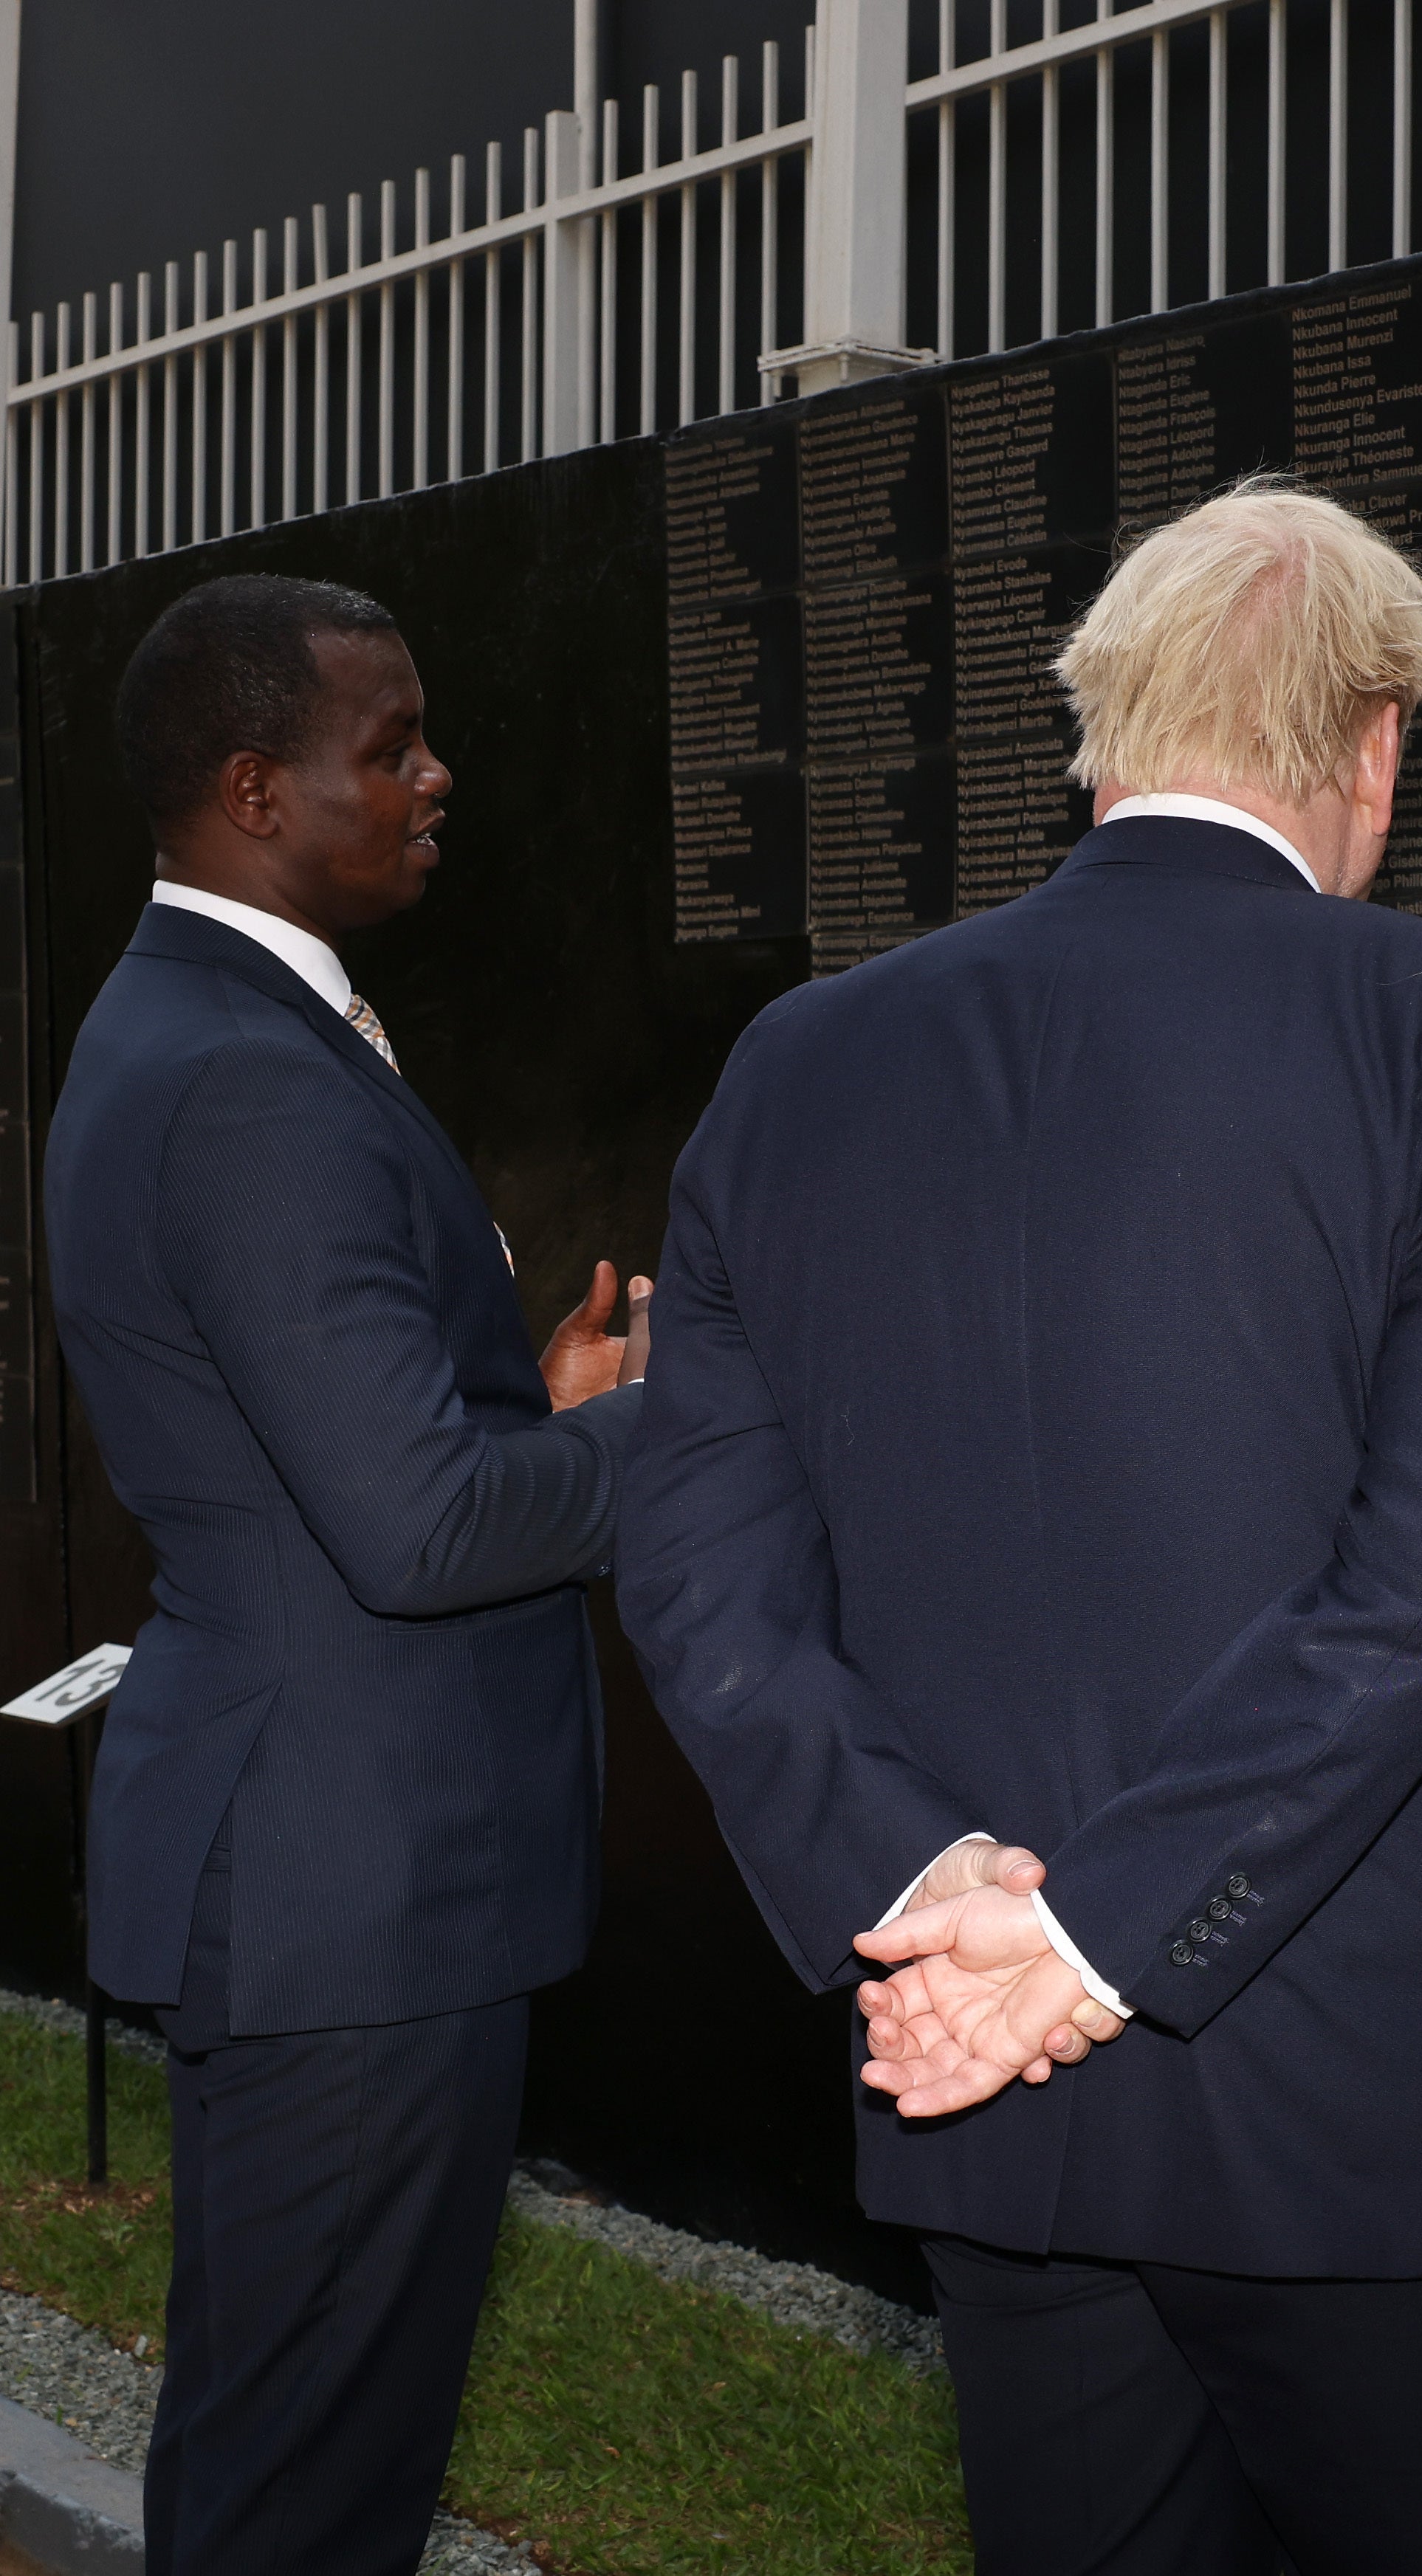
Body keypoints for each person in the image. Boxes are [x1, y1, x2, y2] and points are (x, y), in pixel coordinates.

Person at [618, 478, 1422, 2575]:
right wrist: (1080, 1944)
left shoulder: (800, 1063)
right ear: (1373, 747)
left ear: (1097, 731)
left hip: (998, 2122)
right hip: (1391, 2130)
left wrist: (927, 1905)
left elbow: (701, 1566)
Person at [42, 574, 654, 2573]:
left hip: (325, 1869)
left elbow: (357, 1442)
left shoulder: (214, 1024)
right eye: (384, 747)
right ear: (251, 787)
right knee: (311, 2483)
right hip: (354, 1888)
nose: (431, 776)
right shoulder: (242, 1076)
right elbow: (415, 1529)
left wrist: (540, 1408)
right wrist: (681, 1428)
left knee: (280, 2455)